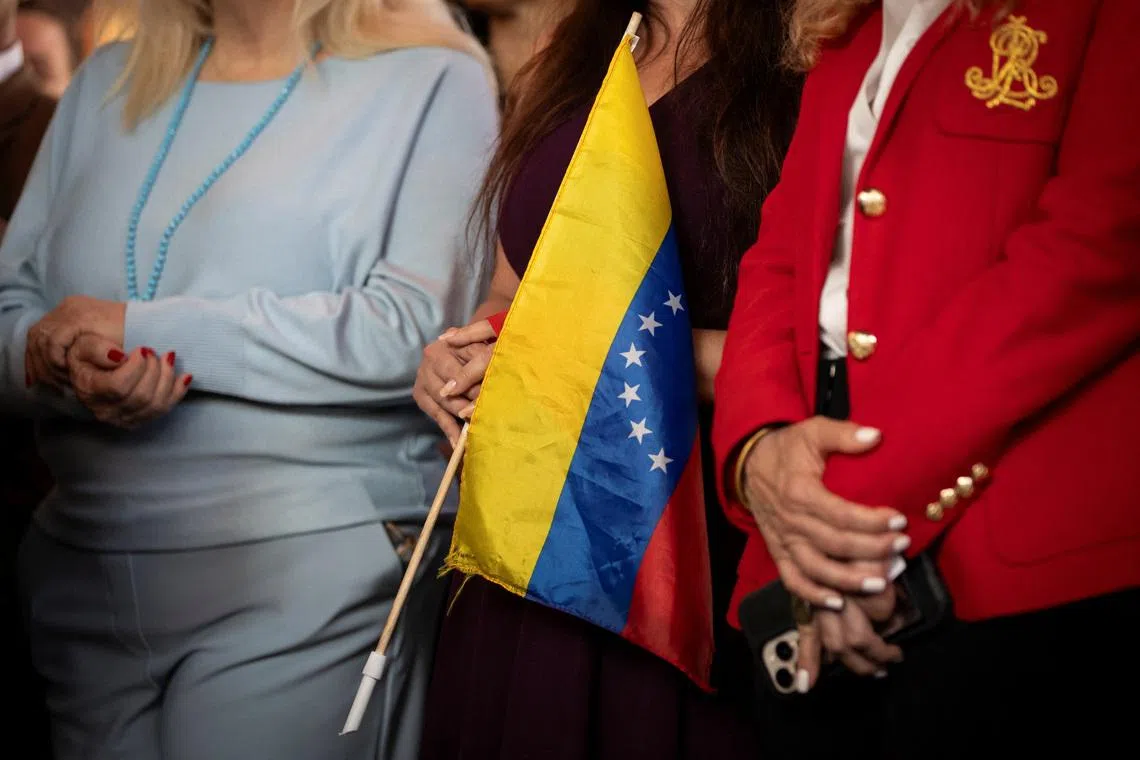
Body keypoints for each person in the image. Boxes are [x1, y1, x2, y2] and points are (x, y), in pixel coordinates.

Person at [0, 0, 497, 757]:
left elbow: (412, 331)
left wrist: (145, 334)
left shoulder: (433, 76)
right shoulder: (108, 79)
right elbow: (16, 312)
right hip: (79, 574)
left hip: (303, 573)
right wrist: (65, 362)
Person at [713, 0, 1140, 756]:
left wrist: (835, 522)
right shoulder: (845, 20)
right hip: (811, 508)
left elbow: (1095, 250)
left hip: (1013, 559)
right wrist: (761, 452)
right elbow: (779, 252)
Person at [414, 1, 800, 757]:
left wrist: (567, 359)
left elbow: (822, 350)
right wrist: (467, 355)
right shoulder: (571, 43)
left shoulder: (809, 55)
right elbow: (513, 289)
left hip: (677, 534)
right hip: (528, 526)